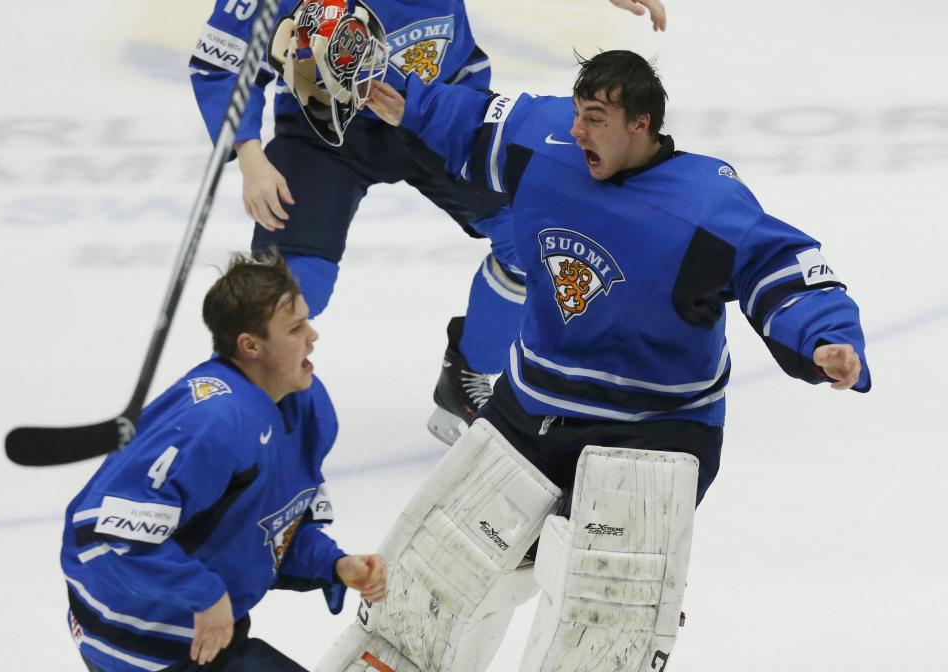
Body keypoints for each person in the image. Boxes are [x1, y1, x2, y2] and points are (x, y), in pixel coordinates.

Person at [312, 51, 871, 672]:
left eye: (596, 118)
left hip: (654, 432)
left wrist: (823, 339)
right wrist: (385, 86)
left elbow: (781, 269)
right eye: (578, 113)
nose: (579, 130)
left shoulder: (706, 203)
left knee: (599, 626)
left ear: (642, 124)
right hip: (532, 407)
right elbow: (462, 118)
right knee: (428, 588)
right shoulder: (548, 142)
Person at [189, 0, 667, 445]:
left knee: (532, 245)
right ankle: (245, 403)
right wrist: (249, 155)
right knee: (292, 287)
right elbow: (221, 60)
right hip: (322, 134)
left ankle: (465, 375)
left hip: (437, 107)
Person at [60, 250, 387, 672]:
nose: (312, 335)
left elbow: (269, 527)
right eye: (295, 328)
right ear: (250, 345)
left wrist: (334, 564)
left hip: (209, 636)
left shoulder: (307, 405)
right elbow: (103, 534)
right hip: (141, 643)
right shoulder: (210, 425)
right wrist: (205, 594)